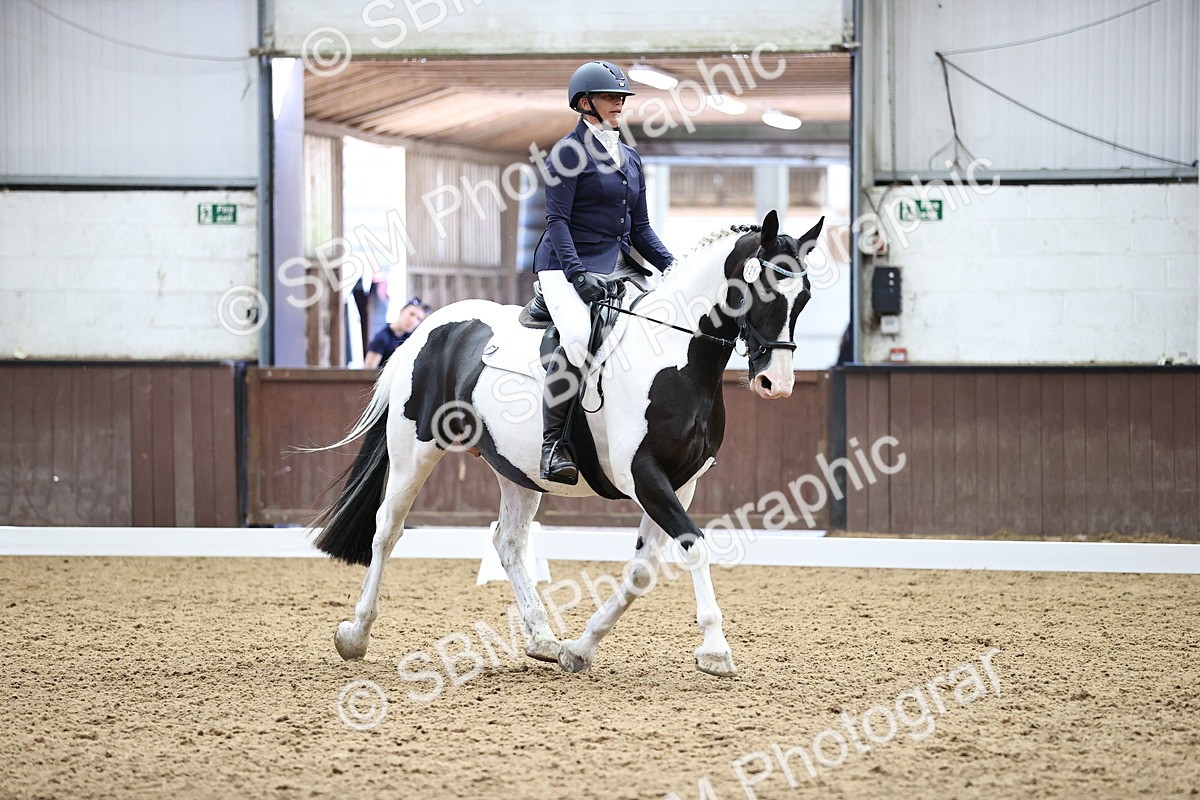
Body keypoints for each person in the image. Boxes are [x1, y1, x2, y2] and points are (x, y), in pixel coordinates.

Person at [531, 60, 676, 485]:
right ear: (584, 103)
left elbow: (641, 229)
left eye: (621, 97)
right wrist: (577, 275)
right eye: (611, 97)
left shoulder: (630, 157)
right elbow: (557, 221)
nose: (619, 103)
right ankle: (552, 445)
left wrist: (674, 267)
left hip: (617, 264)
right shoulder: (567, 153)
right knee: (578, 337)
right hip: (564, 264)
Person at [363, 297, 430, 369]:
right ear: (401, 311)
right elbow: (369, 370)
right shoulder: (382, 338)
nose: (413, 321)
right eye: (411, 314)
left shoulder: (412, 340)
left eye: (418, 319)